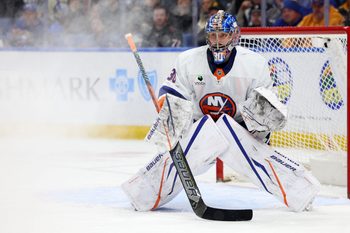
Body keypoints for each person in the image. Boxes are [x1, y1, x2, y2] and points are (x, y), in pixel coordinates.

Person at [122, 10, 320, 212]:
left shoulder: (254, 64)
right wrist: (168, 109)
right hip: (199, 133)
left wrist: (257, 130)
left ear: (234, 36)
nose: (217, 41)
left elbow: (265, 111)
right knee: (188, 145)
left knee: (228, 128)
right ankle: (142, 196)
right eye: (213, 35)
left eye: (223, 35)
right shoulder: (188, 60)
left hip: (240, 133)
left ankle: (303, 192)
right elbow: (172, 92)